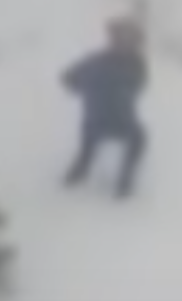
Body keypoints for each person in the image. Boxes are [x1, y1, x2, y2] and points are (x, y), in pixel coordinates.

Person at [59, 19, 150, 197]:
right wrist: (83, 85)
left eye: (131, 40)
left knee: (137, 138)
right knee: (136, 138)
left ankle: (120, 179)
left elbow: (68, 79)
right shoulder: (102, 62)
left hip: (112, 121)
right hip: (105, 121)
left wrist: (81, 85)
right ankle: (83, 171)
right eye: (122, 39)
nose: (127, 44)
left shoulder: (132, 63)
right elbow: (68, 78)